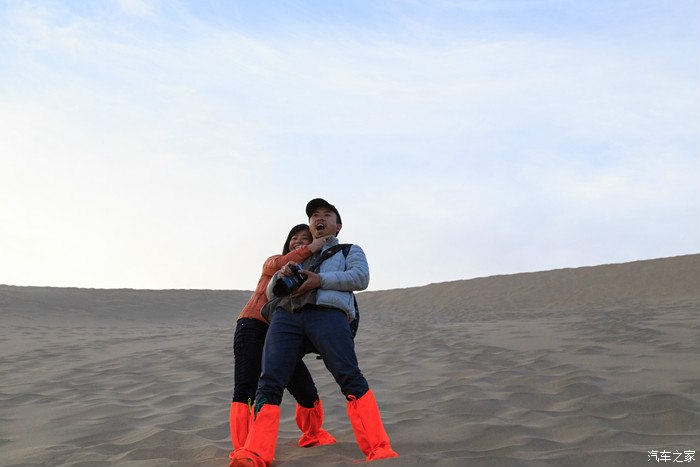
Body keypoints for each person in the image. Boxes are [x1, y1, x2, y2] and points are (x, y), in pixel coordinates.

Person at [230, 198, 398, 467]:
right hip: (286, 316)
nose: (319, 218)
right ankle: (256, 452)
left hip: (327, 314)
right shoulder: (298, 256)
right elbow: (272, 293)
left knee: (349, 375)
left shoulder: (349, 250)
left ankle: (378, 448)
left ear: (338, 225)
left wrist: (320, 280)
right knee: (269, 381)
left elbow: (360, 277)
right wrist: (281, 277)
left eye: (327, 214)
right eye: (314, 216)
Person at [229, 224, 336, 458]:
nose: (298, 241)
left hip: (282, 334)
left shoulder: (310, 271)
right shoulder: (275, 262)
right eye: (294, 238)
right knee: (246, 388)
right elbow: (281, 263)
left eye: (305, 238)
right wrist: (313, 245)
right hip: (252, 326)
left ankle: (313, 433)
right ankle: (245, 449)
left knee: (306, 390)